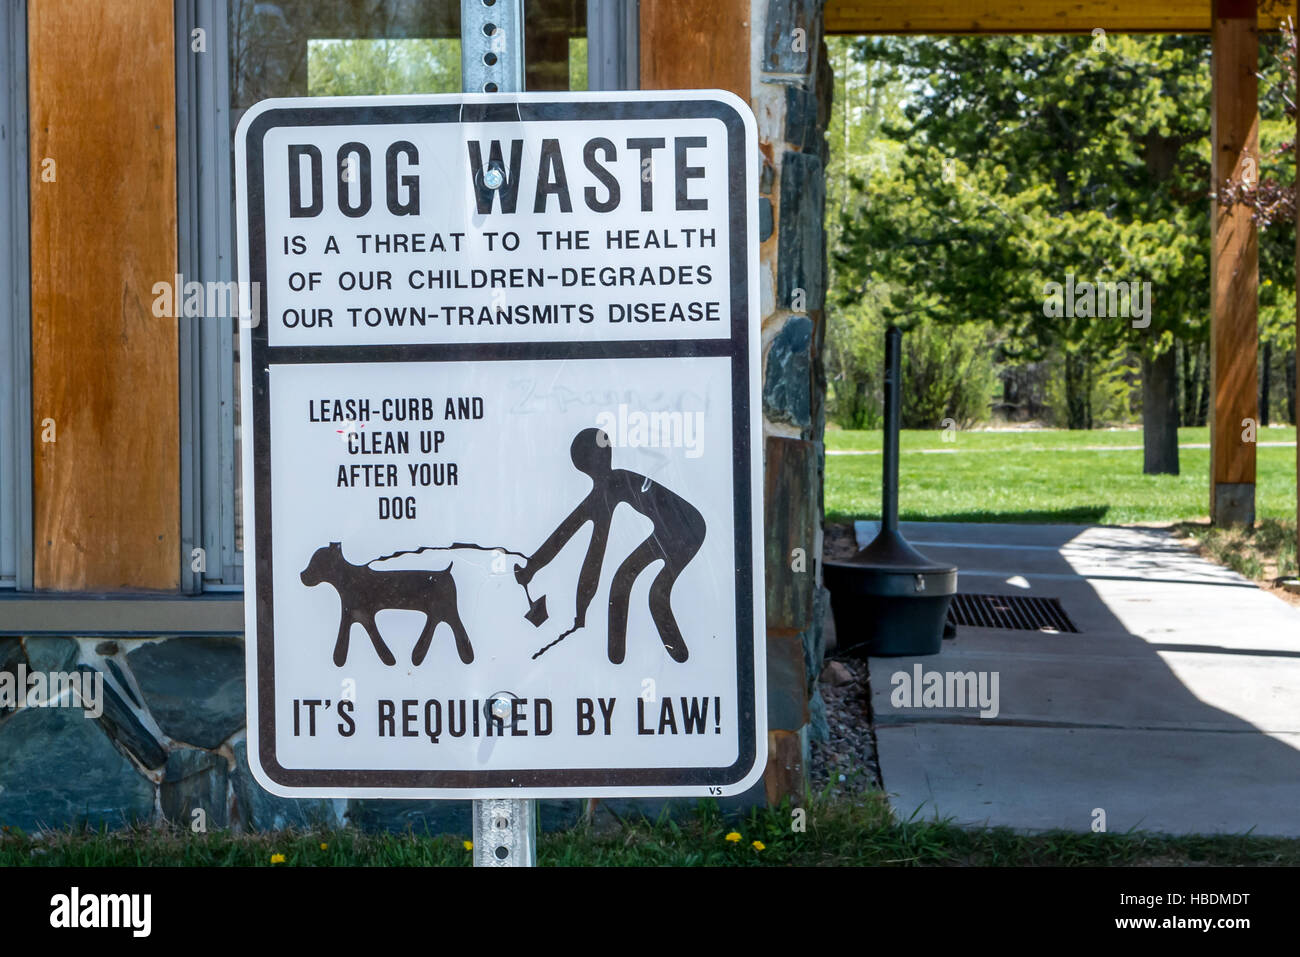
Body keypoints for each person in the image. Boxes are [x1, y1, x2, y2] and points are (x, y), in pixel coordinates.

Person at [515, 428, 705, 663]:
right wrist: (532, 568)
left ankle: (621, 655)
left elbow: (592, 554)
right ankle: (630, 655)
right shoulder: (612, 485)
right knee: (642, 586)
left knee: (641, 586)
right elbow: (565, 535)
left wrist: (580, 609)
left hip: (685, 529)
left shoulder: (613, 485)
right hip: (687, 527)